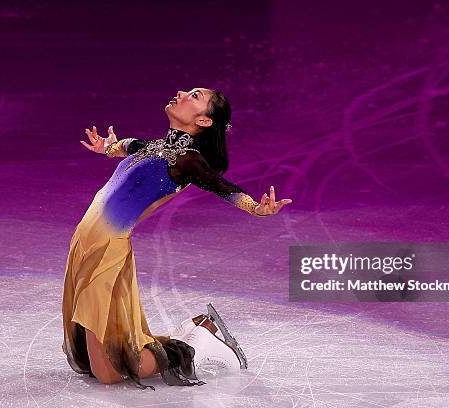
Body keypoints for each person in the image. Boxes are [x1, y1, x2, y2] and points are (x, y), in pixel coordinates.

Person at [61, 87, 293, 389]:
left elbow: (220, 185)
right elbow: (130, 145)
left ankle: (199, 347)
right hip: (84, 244)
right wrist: (108, 146)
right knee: (92, 365)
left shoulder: (187, 160)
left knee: (110, 374)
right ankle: (192, 331)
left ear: (205, 121)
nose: (182, 92)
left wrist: (255, 208)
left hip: (107, 250)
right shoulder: (155, 147)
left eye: (195, 96)